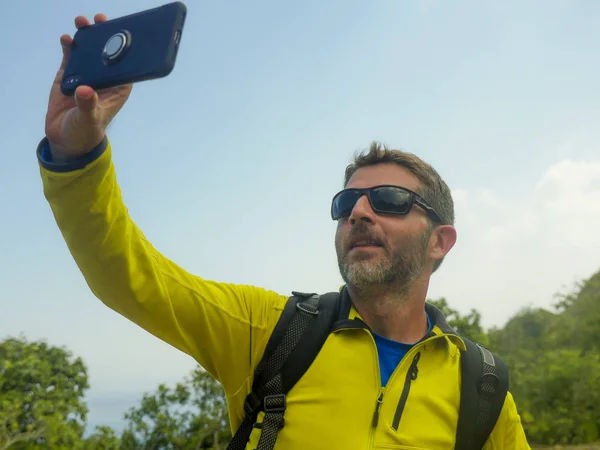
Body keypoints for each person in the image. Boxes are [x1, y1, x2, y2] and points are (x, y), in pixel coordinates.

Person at [39, 13, 531, 450]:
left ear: (440, 241)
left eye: (389, 201)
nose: (359, 212)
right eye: (345, 203)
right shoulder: (272, 331)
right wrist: (76, 157)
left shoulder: (482, 385)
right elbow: (128, 277)